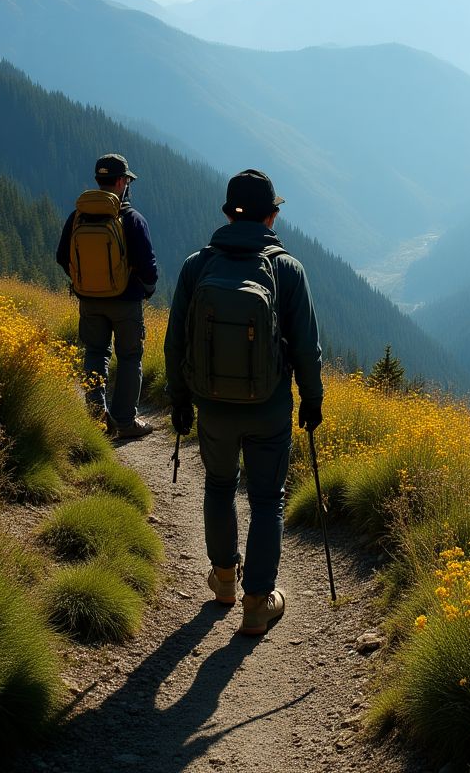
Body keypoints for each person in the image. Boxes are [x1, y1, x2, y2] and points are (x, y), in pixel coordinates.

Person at [164, 169, 323, 636]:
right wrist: (311, 401)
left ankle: (224, 581)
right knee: (267, 499)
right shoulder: (286, 269)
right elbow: (307, 348)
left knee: (217, 485)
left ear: (228, 213)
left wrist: (179, 398)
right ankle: (257, 603)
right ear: (271, 214)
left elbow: (175, 343)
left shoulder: (198, 266)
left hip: (212, 405)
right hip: (268, 405)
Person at [56, 153, 158, 439]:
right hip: (126, 302)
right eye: (126, 179)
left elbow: (62, 256)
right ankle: (125, 422)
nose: (127, 183)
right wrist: (145, 290)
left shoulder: (77, 217)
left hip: (89, 300)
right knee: (129, 358)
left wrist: (84, 282)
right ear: (120, 181)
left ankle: (96, 419)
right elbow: (149, 267)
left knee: (95, 353)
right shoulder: (131, 219)